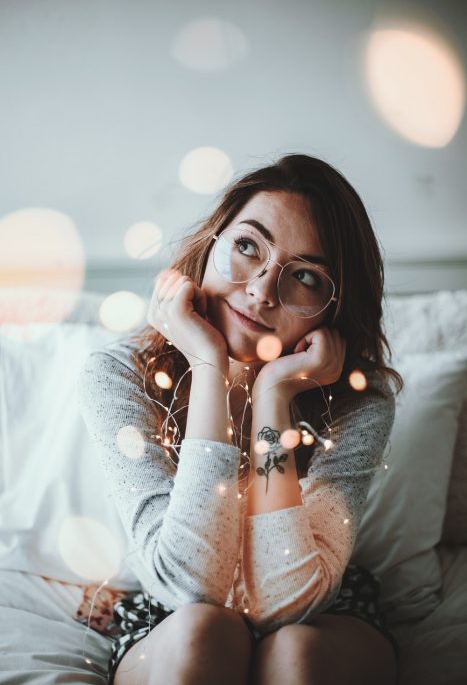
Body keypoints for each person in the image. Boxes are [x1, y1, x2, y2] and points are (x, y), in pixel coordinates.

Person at [78, 153, 402, 685]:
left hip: (322, 609)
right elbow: (189, 589)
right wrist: (210, 368)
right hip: (169, 611)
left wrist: (274, 398)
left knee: (295, 652)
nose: (261, 291)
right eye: (248, 247)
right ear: (211, 244)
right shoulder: (120, 377)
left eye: (304, 276)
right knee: (203, 632)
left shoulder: (359, 403)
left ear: (333, 309)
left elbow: (285, 602)